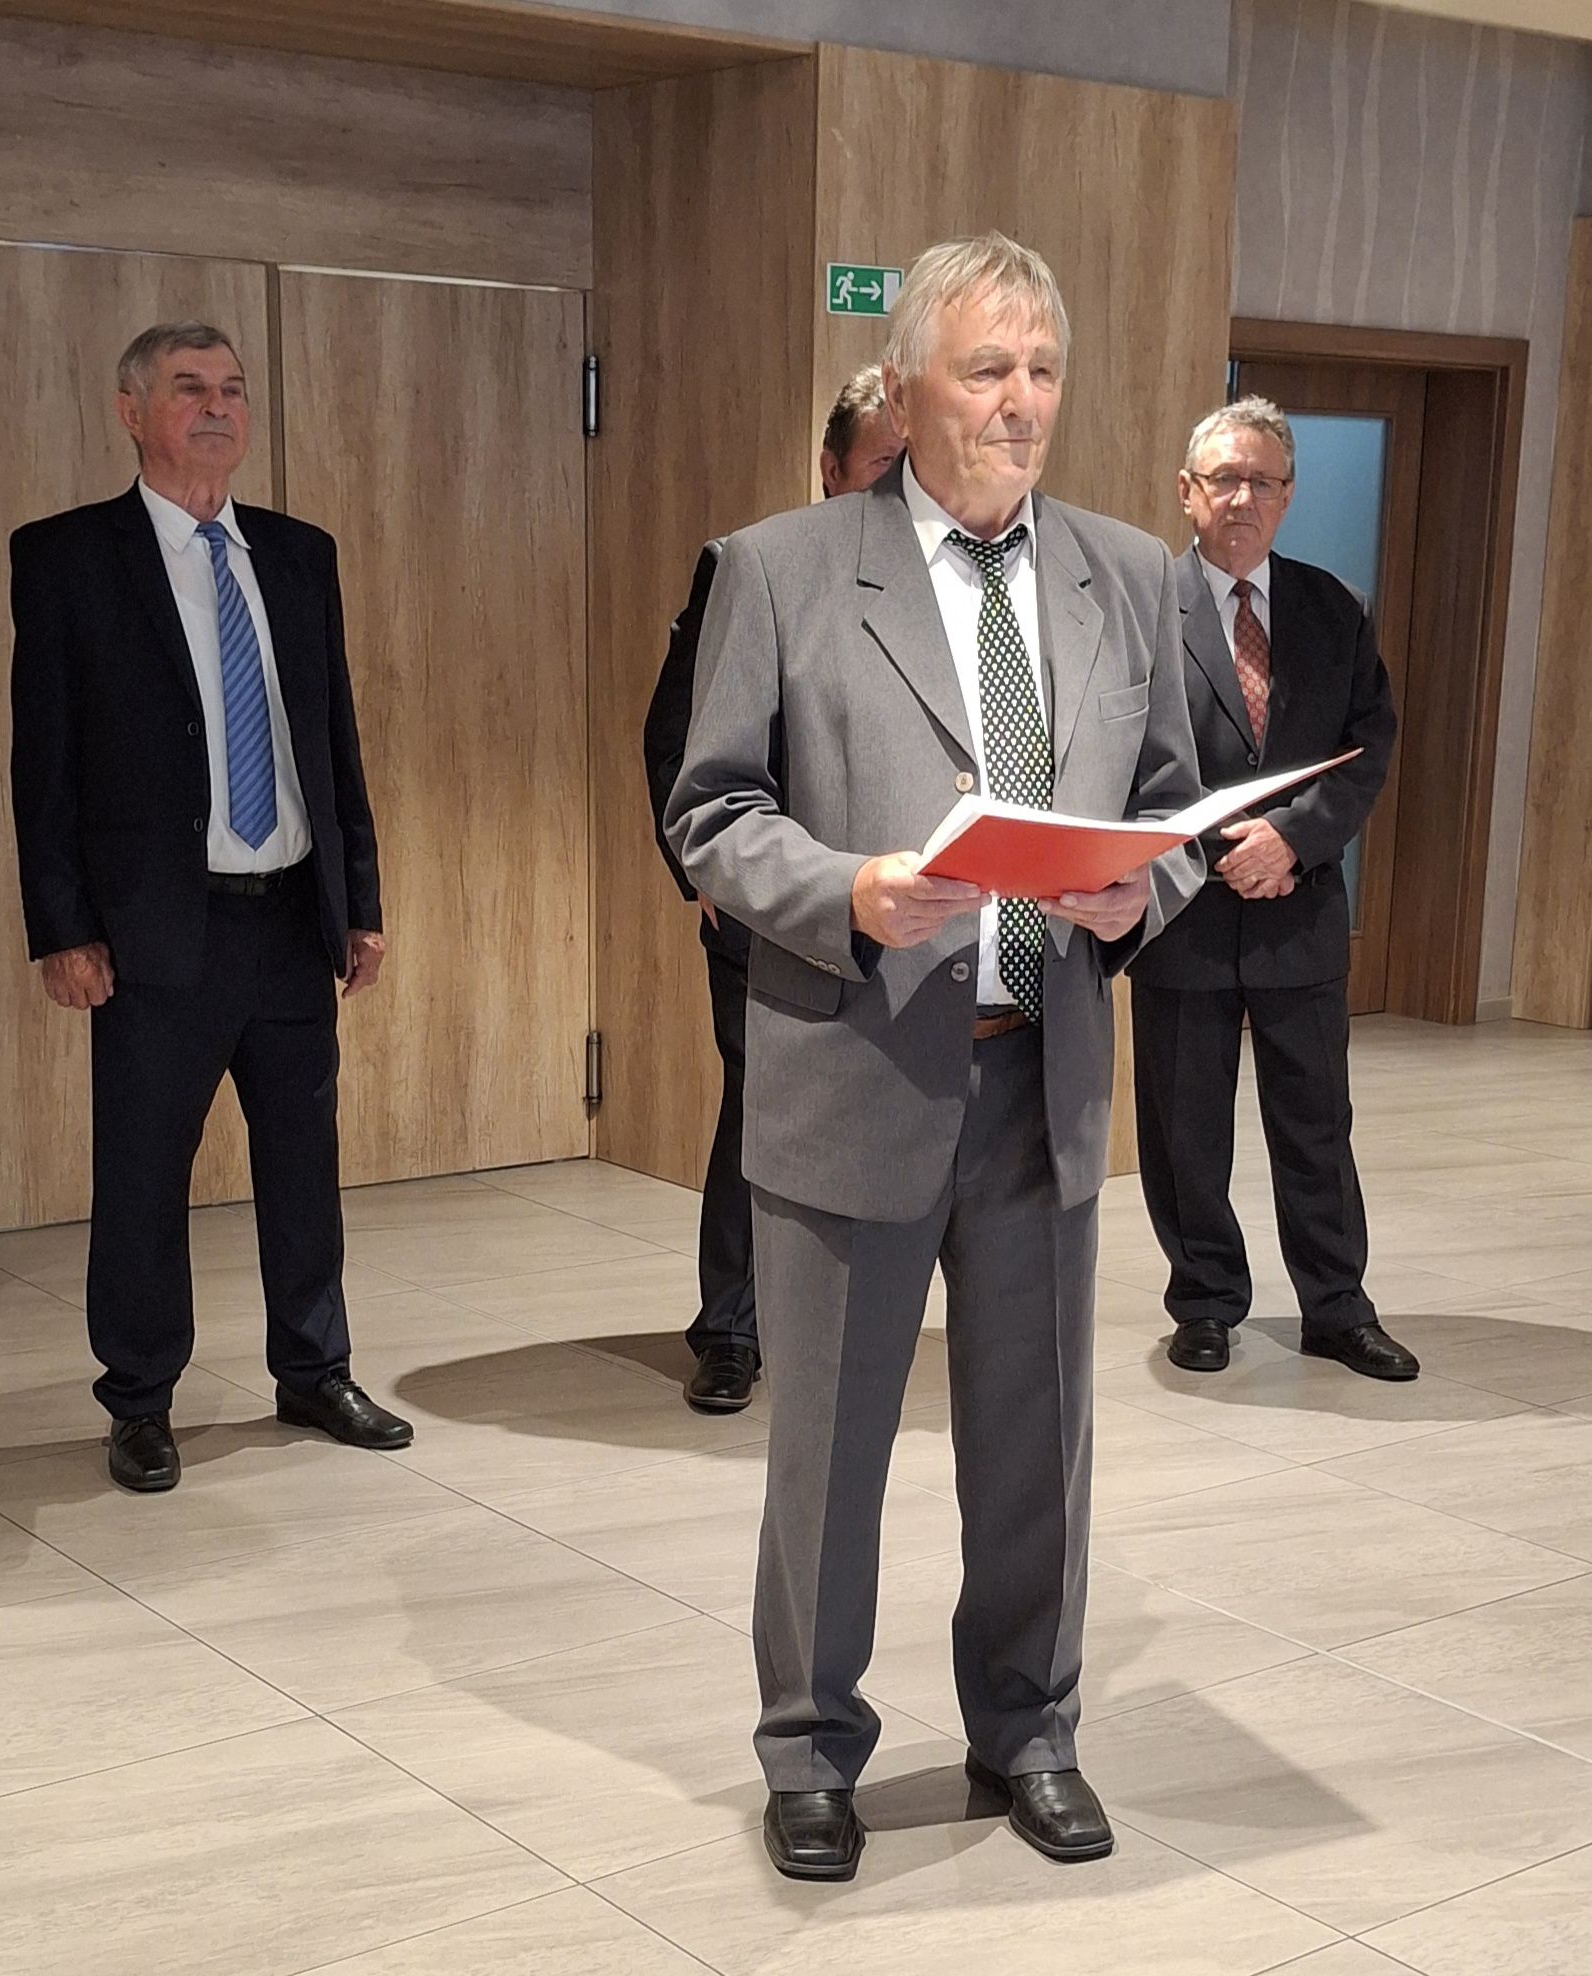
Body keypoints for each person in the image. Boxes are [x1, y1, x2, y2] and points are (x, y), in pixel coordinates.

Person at [666, 234, 1204, 1881]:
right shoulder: (779, 569)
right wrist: (848, 892)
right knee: (828, 1450)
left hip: (1044, 1077)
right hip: (858, 1070)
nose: (1020, 403)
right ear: (904, 390)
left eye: (1041, 371)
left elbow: (1173, 806)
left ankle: (1029, 1732)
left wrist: (1144, 890)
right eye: (986, 371)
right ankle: (810, 1750)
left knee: (1037, 1444)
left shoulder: (1130, 575)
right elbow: (710, 813)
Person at [10, 320, 413, 1494]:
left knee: (304, 1161)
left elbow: (332, 741)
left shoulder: (296, 553)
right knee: (143, 1173)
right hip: (152, 932)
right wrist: (63, 926)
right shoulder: (69, 558)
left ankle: (315, 1368)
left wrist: (359, 897)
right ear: (132, 410)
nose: (217, 406)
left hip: (288, 917)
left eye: (232, 388)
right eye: (189, 388)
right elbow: (43, 763)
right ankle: (139, 1398)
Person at [1128, 396, 1417, 1380]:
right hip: (1181, 912)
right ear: (1186, 491)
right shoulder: (1139, 612)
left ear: (1287, 497)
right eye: (1223, 478)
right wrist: (1214, 848)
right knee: (1184, 1129)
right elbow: (1118, 758)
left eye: (1261, 481)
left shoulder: (1334, 609)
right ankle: (1205, 1301)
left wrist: (1291, 839)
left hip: (1299, 910)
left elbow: (1367, 745)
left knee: (1315, 1124)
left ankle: (1335, 1307)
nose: (1241, 498)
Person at [643, 366, 899, 1415]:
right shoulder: (754, 567)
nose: (899, 485)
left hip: (909, 915)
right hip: (771, 906)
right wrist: (705, 874)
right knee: (764, 1112)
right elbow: (675, 733)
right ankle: (732, 1331)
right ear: (829, 468)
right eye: (881, 464)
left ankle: (850, 1324)